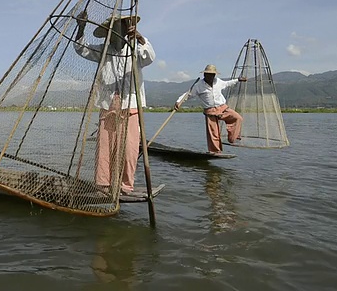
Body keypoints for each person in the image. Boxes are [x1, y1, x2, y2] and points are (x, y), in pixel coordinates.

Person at [74, 11, 155, 195]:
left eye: (120, 29)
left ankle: (125, 185)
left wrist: (141, 38)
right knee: (104, 147)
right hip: (108, 103)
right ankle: (103, 184)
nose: (117, 33)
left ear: (127, 31)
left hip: (130, 104)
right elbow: (81, 48)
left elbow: (150, 56)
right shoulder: (104, 50)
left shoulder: (135, 50)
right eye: (113, 30)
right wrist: (81, 27)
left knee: (129, 148)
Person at [175, 64, 246, 154]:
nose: (211, 76)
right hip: (210, 111)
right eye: (209, 74)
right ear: (205, 75)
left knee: (237, 118)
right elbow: (188, 94)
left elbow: (227, 83)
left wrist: (238, 80)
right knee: (213, 133)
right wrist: (179, 101)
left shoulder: (218, 81)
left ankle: (232, 138)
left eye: (213, 75)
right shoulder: (199, 85)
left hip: (222, 107)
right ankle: (215, 151)